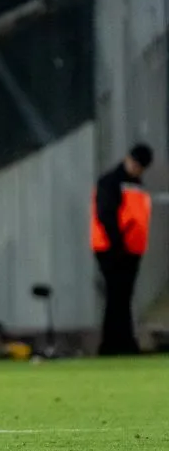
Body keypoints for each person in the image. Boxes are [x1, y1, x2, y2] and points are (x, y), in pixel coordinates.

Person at [91, 143, 153, 356]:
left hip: (131, 250)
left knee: (122, 296)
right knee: (117, 295)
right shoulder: (111, 181)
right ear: (129, 159)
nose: (137, 169)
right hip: (112, 248)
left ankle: (121, 341)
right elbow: (106, 215)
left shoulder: (135, 183)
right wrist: (118, 244)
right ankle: (114, 343)